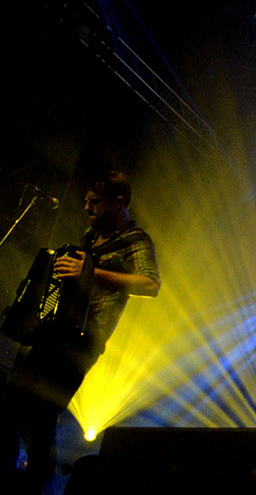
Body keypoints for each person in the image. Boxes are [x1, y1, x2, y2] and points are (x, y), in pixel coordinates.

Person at [1, 170, 160, 490]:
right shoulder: (90, 234)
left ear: (119, 202)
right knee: (15, 402)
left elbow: (150, 284)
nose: (87, 207)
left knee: (42, 413)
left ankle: (38, 485)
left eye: (95, 202)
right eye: (87, 201)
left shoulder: (136, 240)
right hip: (56, 331)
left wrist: (90, 270)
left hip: (85, 338)